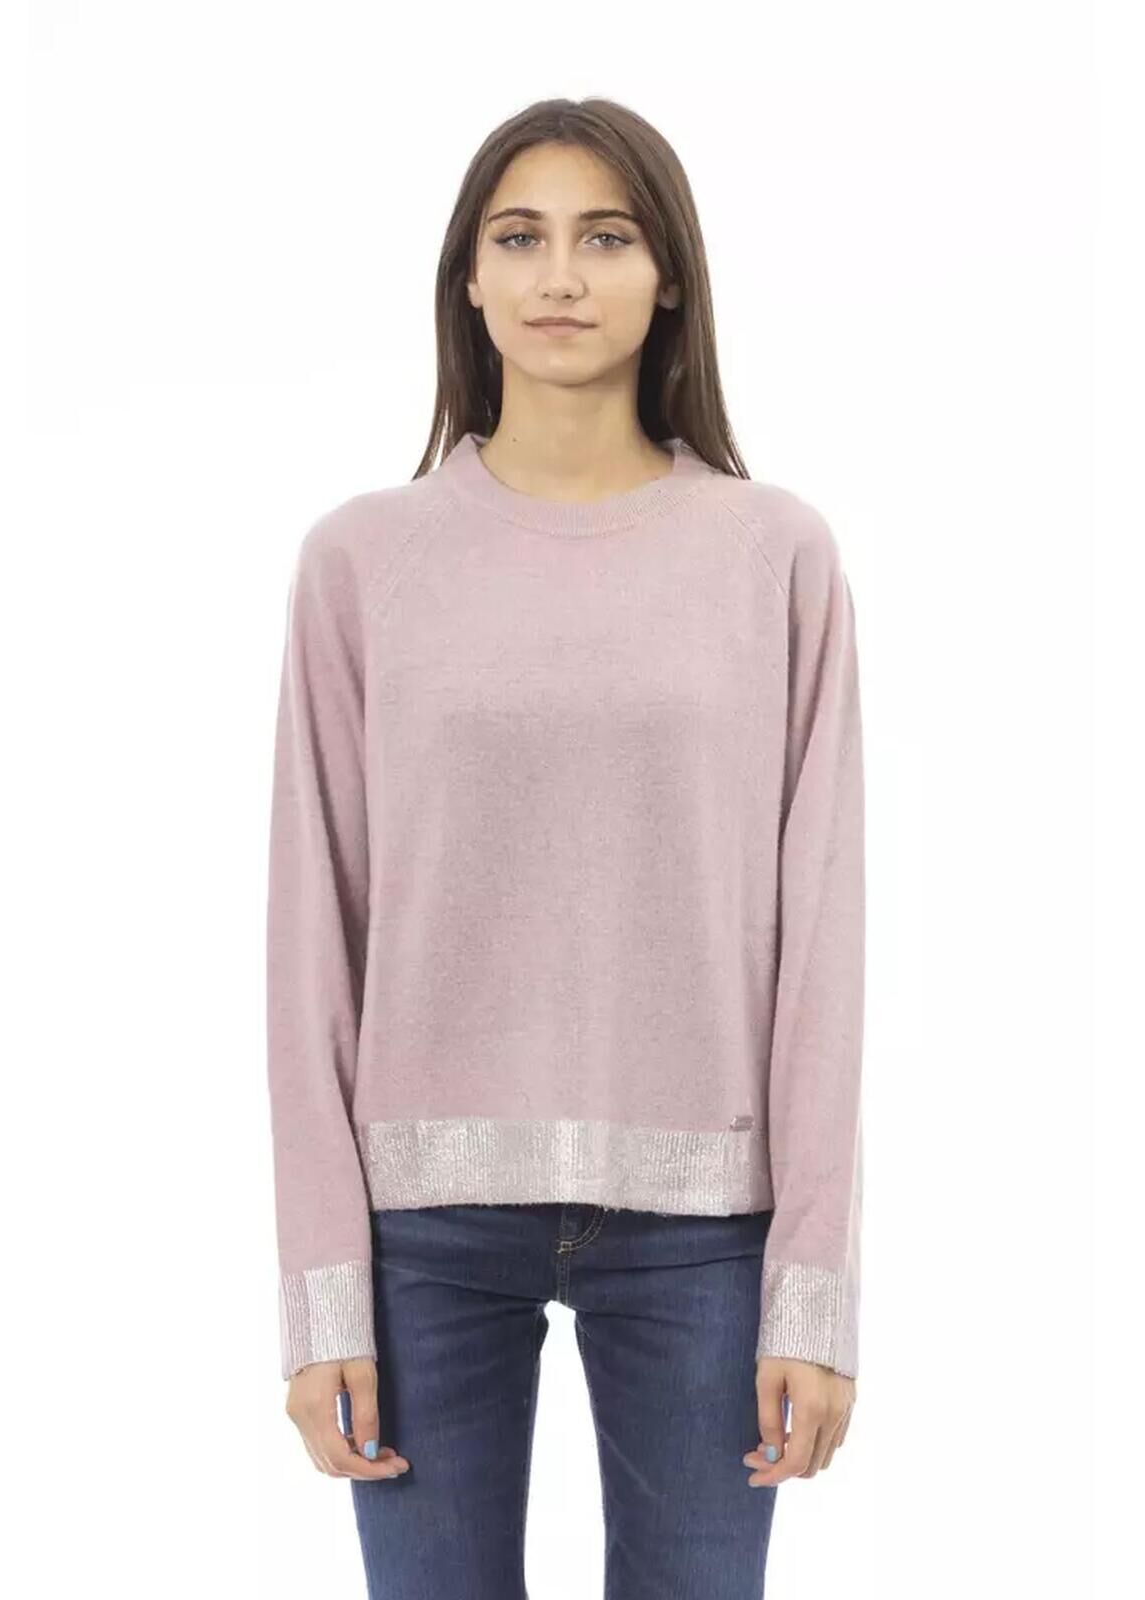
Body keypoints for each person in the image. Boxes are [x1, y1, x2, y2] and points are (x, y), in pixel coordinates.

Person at [265, 96, 865, 1599]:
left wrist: (812, 1293)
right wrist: (321, 1293)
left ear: (668, 279)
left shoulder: (775, 555)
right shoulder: (360, 562)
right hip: (421, 1228)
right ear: (468, 279)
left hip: (706, 1230)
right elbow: (311, 936)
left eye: (606, 238)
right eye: (520, 237)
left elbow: (823, 939)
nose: (560, 276)